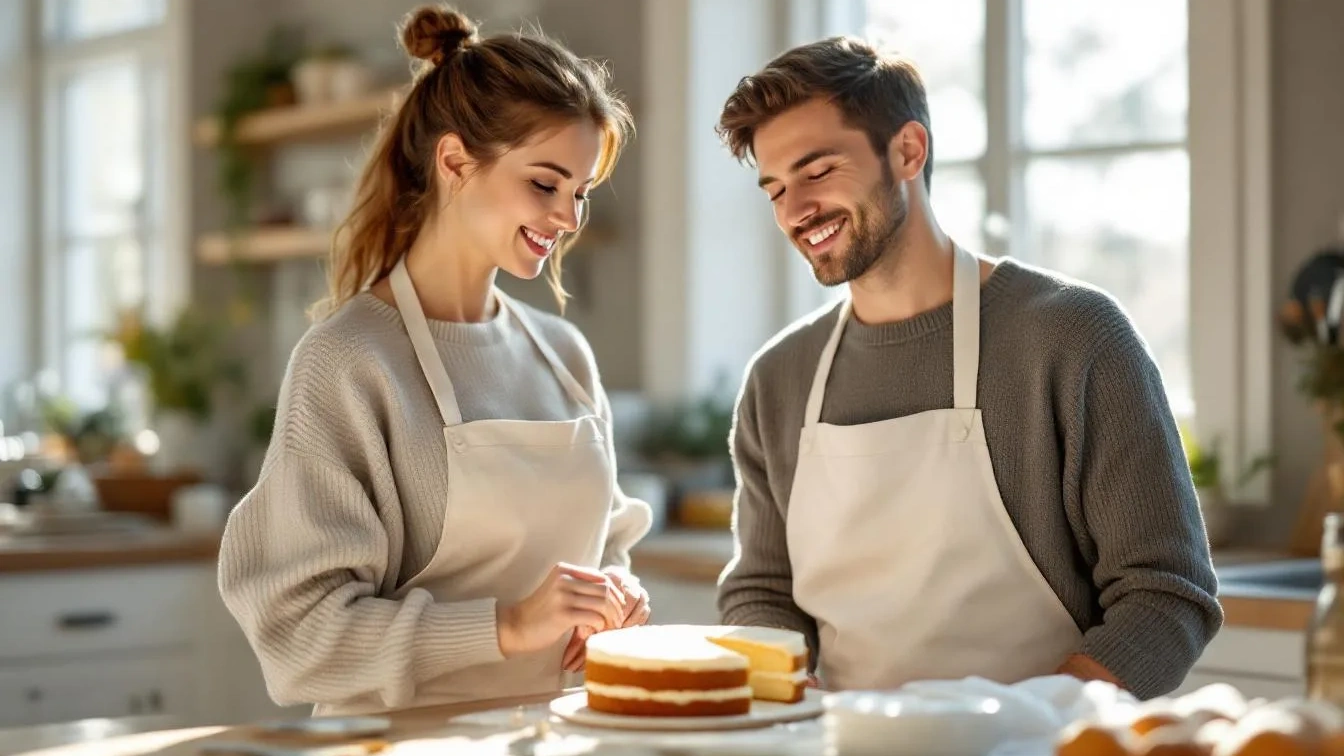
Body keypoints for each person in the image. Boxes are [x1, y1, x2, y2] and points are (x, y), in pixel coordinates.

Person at [713, 36, 1222, 700]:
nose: (794, 211)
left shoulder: (1071, 336)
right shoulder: (779, 378)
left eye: (817, 171)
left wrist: (1029, 724)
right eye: (775, 188)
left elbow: (1166, 595)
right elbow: (763, 589)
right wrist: (790, 704)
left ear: (908, 151)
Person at [218, 5, 653, 716]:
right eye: (545, 184)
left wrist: (615, 599)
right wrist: (508, 626)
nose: (569, 219)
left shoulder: (564, 353)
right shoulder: (349, 361)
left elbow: (602, 548)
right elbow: (299, 633)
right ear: (454, 162)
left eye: (580, 193)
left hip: (560, 734)